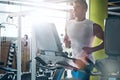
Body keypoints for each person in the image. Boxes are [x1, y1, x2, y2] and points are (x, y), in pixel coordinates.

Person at [64, 0, 104, 80]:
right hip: (74, 60)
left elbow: (108, 43)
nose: (74, 9)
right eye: (74, 7)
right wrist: (66, 43)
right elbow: (67, 43)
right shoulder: (68, 24)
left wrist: (92, 49)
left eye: (78, 7)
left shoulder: (93, 26)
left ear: (85, 9)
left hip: (87, 61)